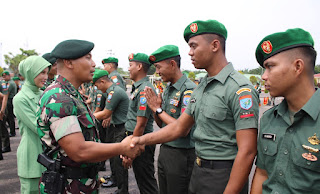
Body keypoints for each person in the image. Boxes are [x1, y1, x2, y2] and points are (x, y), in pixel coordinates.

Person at [130, 20, 259, 194]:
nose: (189, 53)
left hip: (222, 175)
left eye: (193, 46)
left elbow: (247, 151)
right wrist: (139, 140)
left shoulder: (239, 89)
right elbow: (178, 128)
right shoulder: (201, 87)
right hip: (198, 171)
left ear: (215, 45)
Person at [37, 39, 143, 194]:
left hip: (81, 183)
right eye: (88, 57)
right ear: (69, 63)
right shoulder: (59, 98)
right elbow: (79, 151)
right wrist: (122, 147)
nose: (93, 64)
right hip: (68, 186)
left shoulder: (71, 95)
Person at [251, 28, 320, 193]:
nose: (264, 76)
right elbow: (262, 173)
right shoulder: (269, 118)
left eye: (270, 67)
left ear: (297, 66)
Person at [145, 45, 197, 194]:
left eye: (158, 67)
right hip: (165, 150)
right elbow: (161, 124)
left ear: (172, 64)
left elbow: (183, 129)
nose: (157, 72)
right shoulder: (168, 88)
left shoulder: (189, 90)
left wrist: (158, 109)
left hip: (182, 154)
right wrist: (155, 109)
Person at [13, 56, 51, 194]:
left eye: (47, 72)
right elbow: (38, 127)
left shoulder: (44, 94)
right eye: (41, 72)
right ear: (30, 72)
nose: (45, 76)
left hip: (48, 154)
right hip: (31, 155)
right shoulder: (20, 99)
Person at [123, 53, 159, 194]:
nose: (128, 69)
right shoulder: (138, 87)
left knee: (146, 182)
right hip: (135, 137)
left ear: (139, 67)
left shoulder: (145, 90)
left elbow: (141, 124)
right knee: (141, 179)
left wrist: (130, 152)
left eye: (131, 65)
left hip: (141, 139)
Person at [93, 69, 129, 194]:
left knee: (119, 162)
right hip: (115, 127)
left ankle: (123, 190)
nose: (97, 88)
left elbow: (105, 113)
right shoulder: (111, 91)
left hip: (122, 128)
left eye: (97, 85)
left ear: (102, 81)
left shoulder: (115, 92)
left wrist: (87, 118)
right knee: (114, 160)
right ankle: (120, 186)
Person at [2, 70, 17, 137]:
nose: (4, 77)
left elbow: (6, 94)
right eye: (3, 76)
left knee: (10, 117)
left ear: (9, 76)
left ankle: (12, 132)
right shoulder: (8, 82)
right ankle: (12, 131)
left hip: (9, 100)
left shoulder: (10, 83)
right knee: (9, 117)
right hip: (9, 100)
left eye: (5, 76)